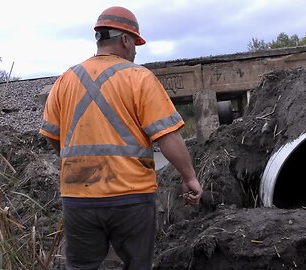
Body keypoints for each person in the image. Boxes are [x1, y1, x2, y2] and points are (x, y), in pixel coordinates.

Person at [39, 6, 203, 270]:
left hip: (78, 198)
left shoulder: (65, 80)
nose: (136, 50)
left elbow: (53, 136)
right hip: (131, 198)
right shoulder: (139, 78)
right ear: (125, 40)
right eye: (135, 43)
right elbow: (167, 137)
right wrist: (189, 177)